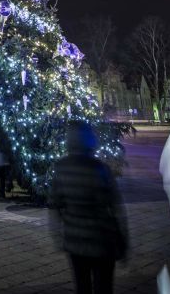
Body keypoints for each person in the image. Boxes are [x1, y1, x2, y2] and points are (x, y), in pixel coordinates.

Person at [49, 121, 127, 294]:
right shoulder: (100, 168)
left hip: (75, 241)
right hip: (102, 239)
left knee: (82, 286)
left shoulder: (61, 168)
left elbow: (54, 205)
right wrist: (123, 239)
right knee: (104, 287)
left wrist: (57, 235)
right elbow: (116, 207)